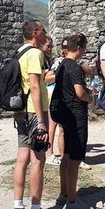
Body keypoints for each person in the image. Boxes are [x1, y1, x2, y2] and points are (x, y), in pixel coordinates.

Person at [10, 20, 57, 209]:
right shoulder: (35, 54)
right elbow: (36, 87)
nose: (46, 34)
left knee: (22, 159)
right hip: (33, 111)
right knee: (38, 160)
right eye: (44, 30)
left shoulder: (18, 51)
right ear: (36, 33)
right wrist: (41, 121)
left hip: (20, 111)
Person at [54, 34, 95, 209]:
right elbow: (79, 92)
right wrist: (89, 97)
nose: (84, 52)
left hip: (65, 113)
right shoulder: (75, 68)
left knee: (67, 155)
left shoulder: (62, 64)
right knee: (75, 158)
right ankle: (72, 199)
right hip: (76, 114)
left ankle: (64, 193)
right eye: (84, 48)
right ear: (79, 48)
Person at [43, 36, 64, 166]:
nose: (50, 49)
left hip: (52, 93)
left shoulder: (48, 59)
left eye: (51, 46)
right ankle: (49, 153)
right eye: (48, 46)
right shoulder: (42, 59)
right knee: (52, 125)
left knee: (54, 124)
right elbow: (46, 78)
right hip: (49, 94)